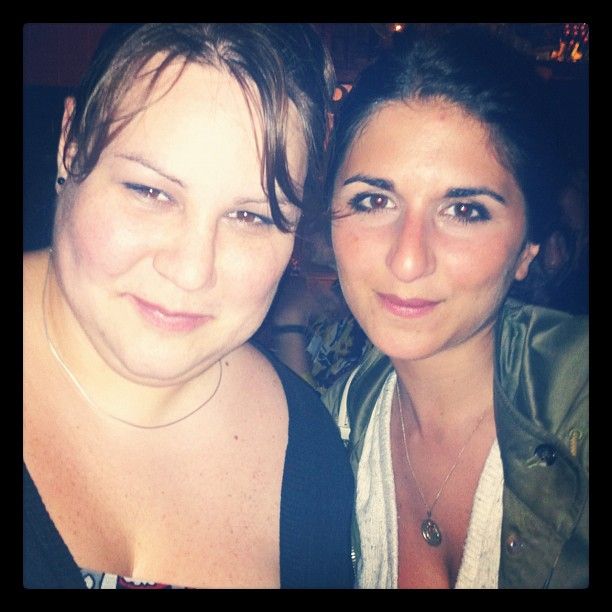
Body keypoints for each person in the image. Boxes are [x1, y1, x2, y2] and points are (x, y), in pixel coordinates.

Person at [23, 23, 355, 589]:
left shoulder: (313, 454)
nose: (192, 271)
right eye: (150, 192)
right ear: (69, 145)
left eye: (250, 216)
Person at [323, 25, 588, 588]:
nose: (407, 260)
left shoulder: (577, 415)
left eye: (465, 211)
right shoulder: (330, 429)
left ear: (528, 249)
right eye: (373, 200)